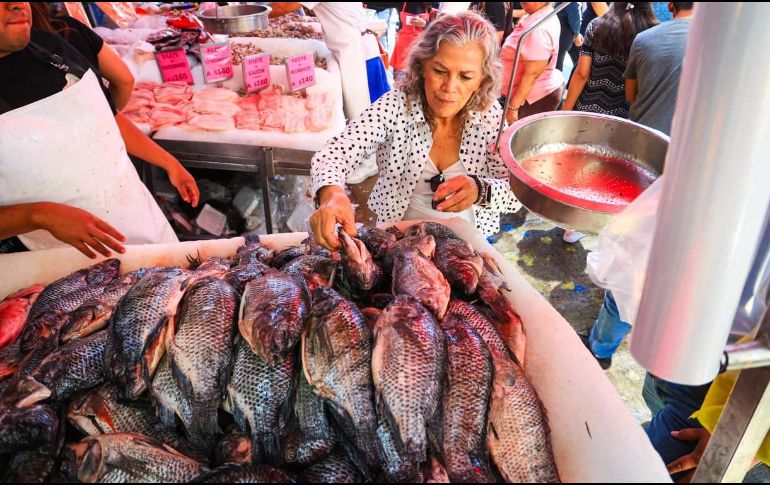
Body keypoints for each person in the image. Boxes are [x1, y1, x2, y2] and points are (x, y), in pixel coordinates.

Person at [0, 2, 199, 259]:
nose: (16, 4)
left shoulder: (51, 47)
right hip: (58, 267)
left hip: (142, 228)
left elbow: (106, 120)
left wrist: (168, 162)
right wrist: (40, 215)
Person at [309, 11, 522, 250]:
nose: (449, 88)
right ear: (422, 66)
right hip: (398, 244)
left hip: (469, 246)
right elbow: (334, 154)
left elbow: (517, 192)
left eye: (465, 76)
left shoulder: (490, 117)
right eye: (440, 71)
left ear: (482, 79)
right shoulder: (395, 107)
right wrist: (331, 192)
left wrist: (480, 190)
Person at [30, 2, 134, 110]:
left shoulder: (66, 29)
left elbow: (125, 81)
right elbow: (125, 81)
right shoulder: (69, 27)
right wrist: (109, 118)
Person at [625, 2, 695, 136]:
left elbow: (630, 95)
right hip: (684, 142)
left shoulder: (642, 39)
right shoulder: (713, 46)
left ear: (670, 6)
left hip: (642, 136)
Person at [500, 2, 564, 124]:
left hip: (528, 100)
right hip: (525, 95)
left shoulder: (539, 30)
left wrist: (513, 108)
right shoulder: (539, 15)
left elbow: (532, 74)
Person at [555, 2, 582, 73]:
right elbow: (574, 16)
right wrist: (577, 34)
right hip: (565, 28)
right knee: (557, 60)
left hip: (563, 26)